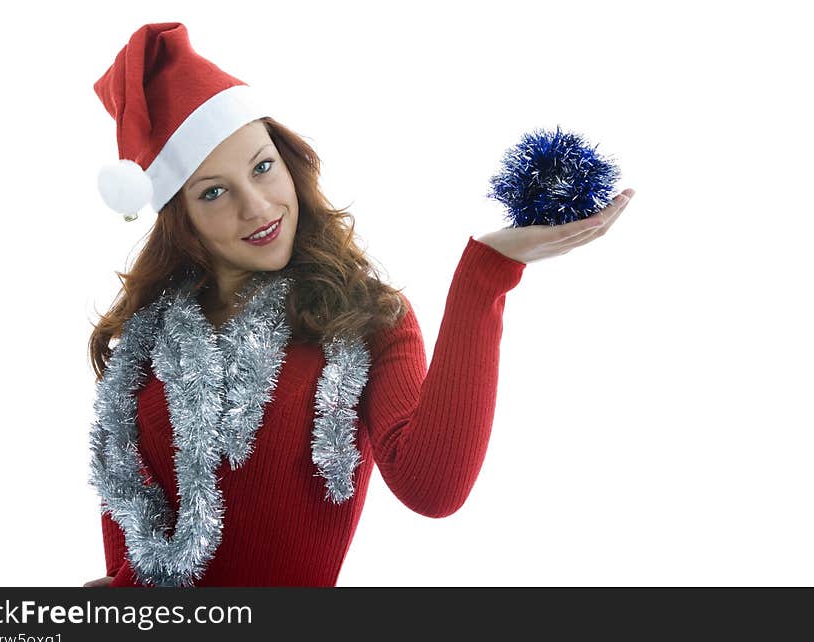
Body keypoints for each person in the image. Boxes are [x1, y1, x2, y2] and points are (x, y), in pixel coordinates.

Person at [83, 22, 635, 588]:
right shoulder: (147, 343)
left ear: (287, 161)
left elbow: (433, 487)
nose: (258, 207)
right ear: (183, 219)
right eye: (214, 192)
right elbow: (126, 536)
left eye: (262, 167)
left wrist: (485, 275)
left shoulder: (363, 320)